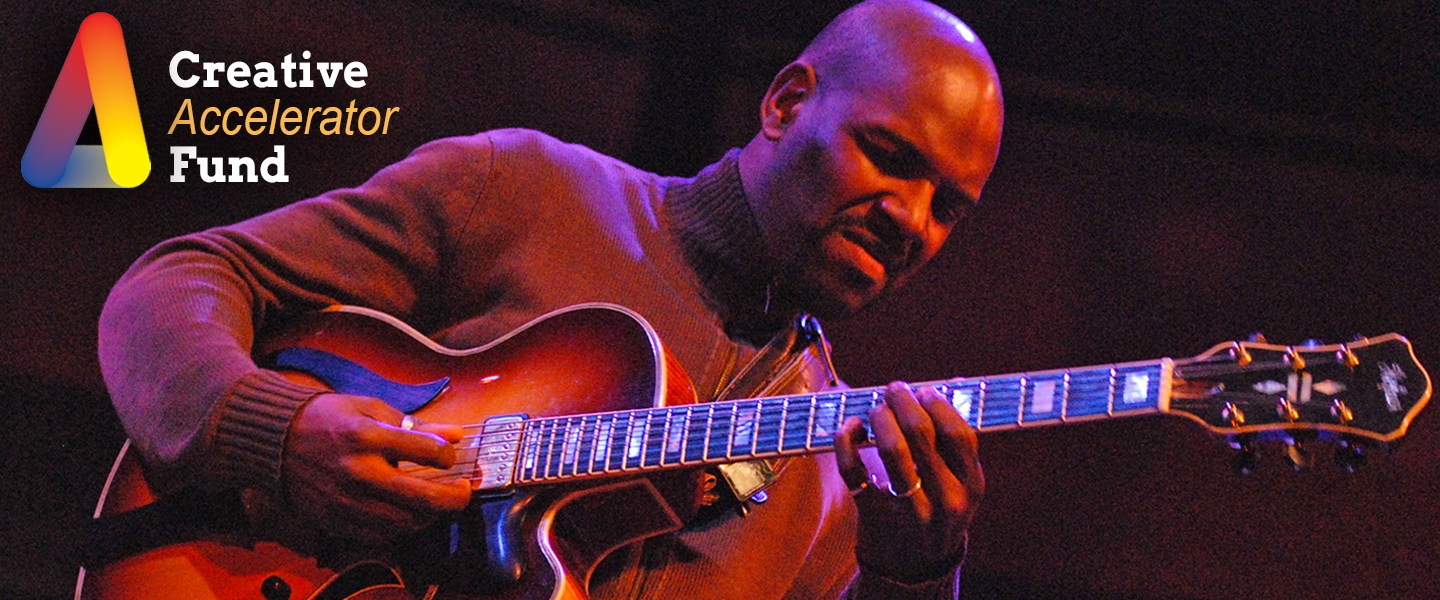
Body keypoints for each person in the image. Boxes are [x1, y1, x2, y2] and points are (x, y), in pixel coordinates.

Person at [97, 0, 1004, 597]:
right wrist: (282, 433)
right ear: (787, 102)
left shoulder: (840, 491)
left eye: (951, 209)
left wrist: (915, 574)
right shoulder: (526, 191)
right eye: (889, 156)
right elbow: (178, 281)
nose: (911, 218)